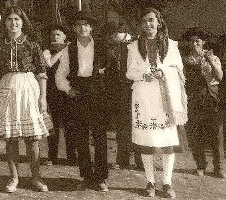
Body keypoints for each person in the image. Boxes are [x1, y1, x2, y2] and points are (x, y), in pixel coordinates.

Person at [0, 6, 52, 192]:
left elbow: (41, 72)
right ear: (4, 23)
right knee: (11, 137)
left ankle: (36, 178)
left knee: (32, 138)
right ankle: (13, 178)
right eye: (9, 20)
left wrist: (43, 98)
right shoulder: (0, 46)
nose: (13, 23)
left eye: (17, 19)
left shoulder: (32, 44)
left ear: (23, 22)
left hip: (29, 89)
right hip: (7, 89)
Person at [126, 8, 188, 198]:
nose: (148, 24)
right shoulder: (134, 46)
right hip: (144, 97)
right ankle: (150, 181)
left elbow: (179, 71)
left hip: (165, 99)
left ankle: (167, 183)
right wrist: (144, 74)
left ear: (159, 22)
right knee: (147, 142)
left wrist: (163, 72)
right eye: (144, 21)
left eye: (151, 20)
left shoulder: (171, 45)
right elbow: (129, 72)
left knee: (168, 142)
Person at [56, 10, 109, 192]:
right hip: (78, 92)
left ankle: (101, 177)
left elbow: (111, 71)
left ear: (91, 27)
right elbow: (60, 75)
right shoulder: (68, 49)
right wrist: (68, 89)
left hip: (97, 93)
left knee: (100, 136)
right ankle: (86, 176)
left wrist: (104, 86)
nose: (83, 28)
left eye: (86, 25)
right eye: (79, 25)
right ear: (74, 28)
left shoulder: (101, 46)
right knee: (81, 136)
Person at [182, 27, 225, 178]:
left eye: (197, 41)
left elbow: (219, 77)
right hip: (194, 99)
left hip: (211, 98)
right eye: (192, 41)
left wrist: (208, 60)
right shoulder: (186, 60)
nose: (194, 44)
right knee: (196, 134)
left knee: (215, 134)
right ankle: (200, 165)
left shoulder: (213, 58)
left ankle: (218, 168)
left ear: (203, 42)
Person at [104, 23, 143, 170]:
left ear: (123, 32)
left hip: (135, 88)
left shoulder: (137, 44)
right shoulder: (113, 47)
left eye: (115, 34)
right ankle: (122, 159)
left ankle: (140, 160)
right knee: (123, 126)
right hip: (119, 90)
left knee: (138, 123)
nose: (112, 37)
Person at [42, 23, 78, 166]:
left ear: (64, 36)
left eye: (58, 34)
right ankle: (52, 156)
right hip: (52, 93)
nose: (55, 37)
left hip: (68, 92)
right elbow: (49, 64)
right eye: (52, 35)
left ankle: (71, 156)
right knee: (53, 126)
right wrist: (61, 50)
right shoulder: (47, 51)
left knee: (70, 125)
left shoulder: (72, 50)